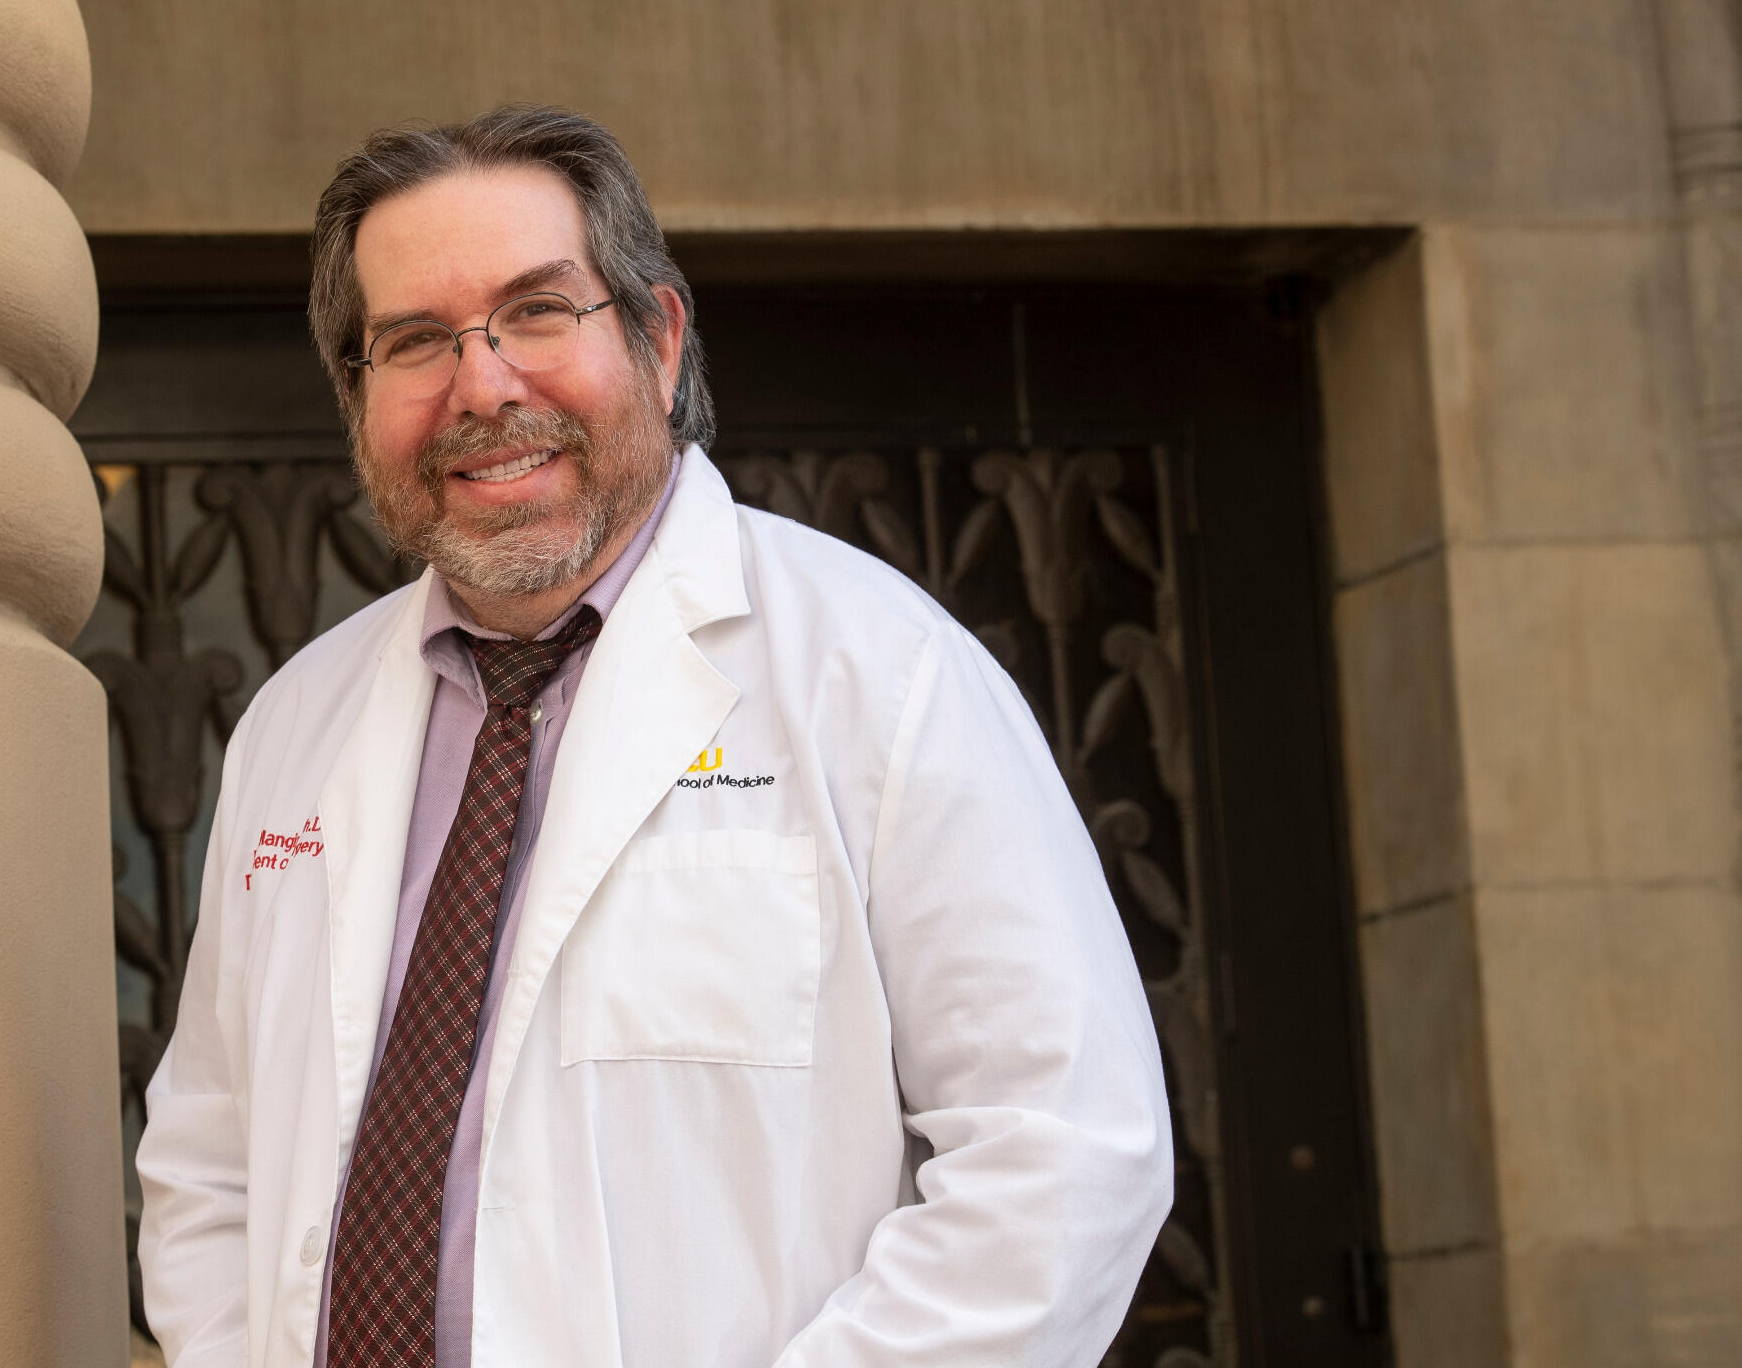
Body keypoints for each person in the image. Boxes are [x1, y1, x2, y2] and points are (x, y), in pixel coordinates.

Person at [135, 105, 1171, 1368]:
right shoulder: (294, 725)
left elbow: (1063, 1151)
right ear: (358, 396)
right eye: (414, 340)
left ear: (659, 339)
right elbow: (209, 1161)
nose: (483, 385)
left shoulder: (880, 674)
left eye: (536, 311)